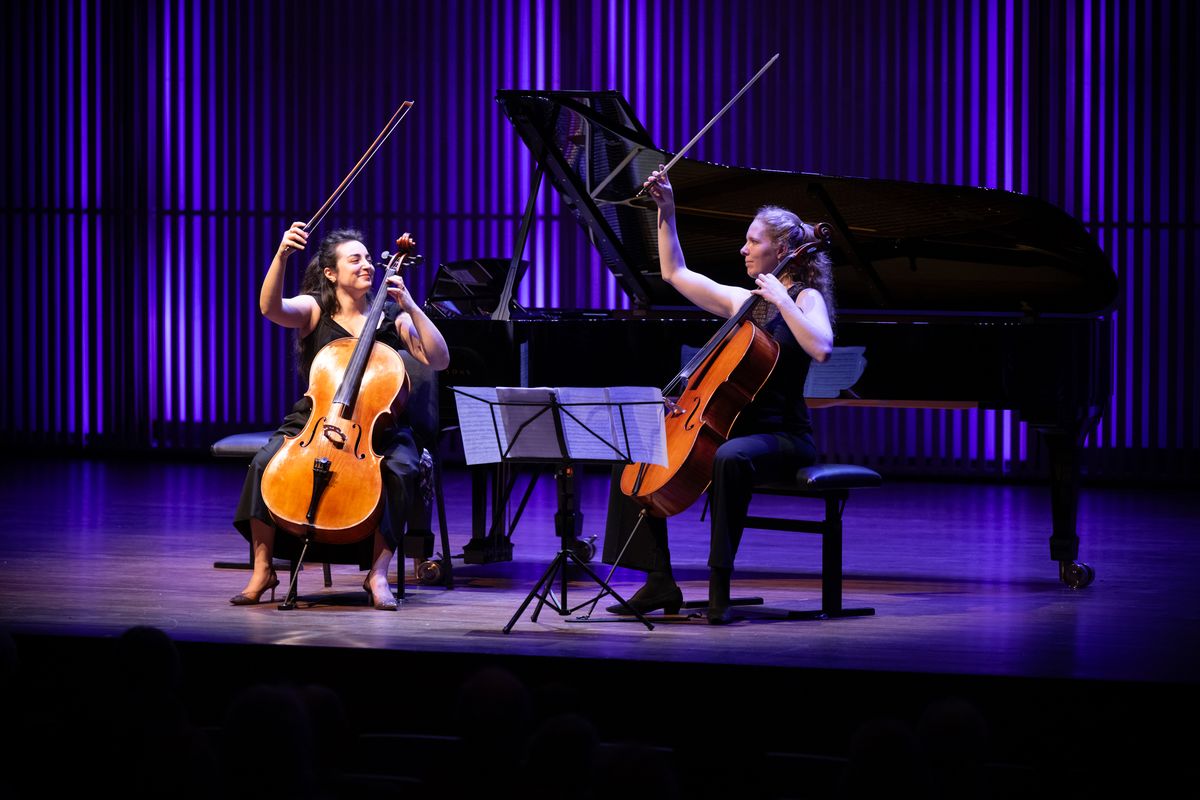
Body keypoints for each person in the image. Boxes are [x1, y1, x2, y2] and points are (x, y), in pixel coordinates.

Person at [603, 166, 835, 624]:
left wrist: (785, 301)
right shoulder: (743, 302)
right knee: (634, 449)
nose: (743, 249)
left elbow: (822, 349)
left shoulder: (806, 299)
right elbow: (675, 272)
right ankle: (658, 579)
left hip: (782, 437)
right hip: (728, 430)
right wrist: (666, 209)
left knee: (731, 456)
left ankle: (719, 588)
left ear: (783, 250)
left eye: (754, 241)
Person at [230, 222, 450, 610]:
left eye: (368, 258)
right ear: (331, 273)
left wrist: (411, 307)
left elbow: (439, 358)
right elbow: (269, 308)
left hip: (377, 429)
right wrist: (282, 255)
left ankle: (377, 573)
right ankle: (263, 569)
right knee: (264, 462)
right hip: (316, 418)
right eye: (356, 260)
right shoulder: (315, 309)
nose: (367, 265)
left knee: (402, 469)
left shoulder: (389, 317)